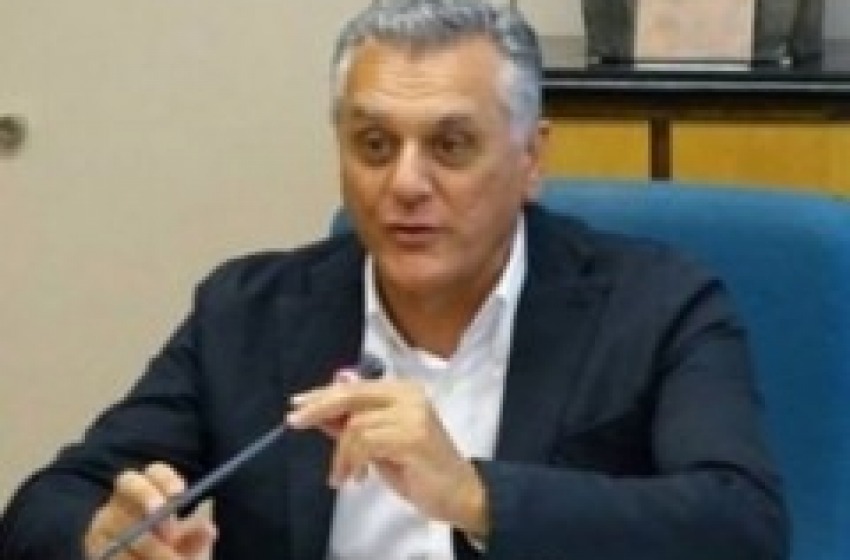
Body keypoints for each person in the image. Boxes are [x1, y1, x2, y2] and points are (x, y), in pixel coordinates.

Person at [0, 0, 789, 559]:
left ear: (531, 158)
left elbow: (743, 528)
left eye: (450, 146)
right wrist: (101, 535)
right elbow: (44, 505)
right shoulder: (246, 312)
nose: (405, 184)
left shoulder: (658, 306)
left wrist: (475, 496)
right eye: (375, 145)